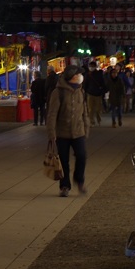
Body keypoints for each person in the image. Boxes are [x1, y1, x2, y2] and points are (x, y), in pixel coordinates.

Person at [47, 64, 89, 197]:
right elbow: (52, 113)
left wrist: (86, 127)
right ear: (72, 77)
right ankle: (65, 186)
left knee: (82, 156)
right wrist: (51, 133)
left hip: (78, 131)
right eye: (78, 74)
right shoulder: (58, 92)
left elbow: (84, 111)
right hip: (62, 132)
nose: (80, 77)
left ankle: (79, 180)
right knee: (63, 160)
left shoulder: (81, 91)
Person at [83, 61, 108, 126]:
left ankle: (98, 119)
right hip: (90, 93)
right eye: (90, 66)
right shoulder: (87, 74)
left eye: (92, 66)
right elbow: (85, 84)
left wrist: (104, 91)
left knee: (98, 109)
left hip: (98, 94)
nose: (91, 68)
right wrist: (84, 92)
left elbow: (102, 83)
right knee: (90, 109)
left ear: (95, 67)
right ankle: (92, 121)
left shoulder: (99, 74)